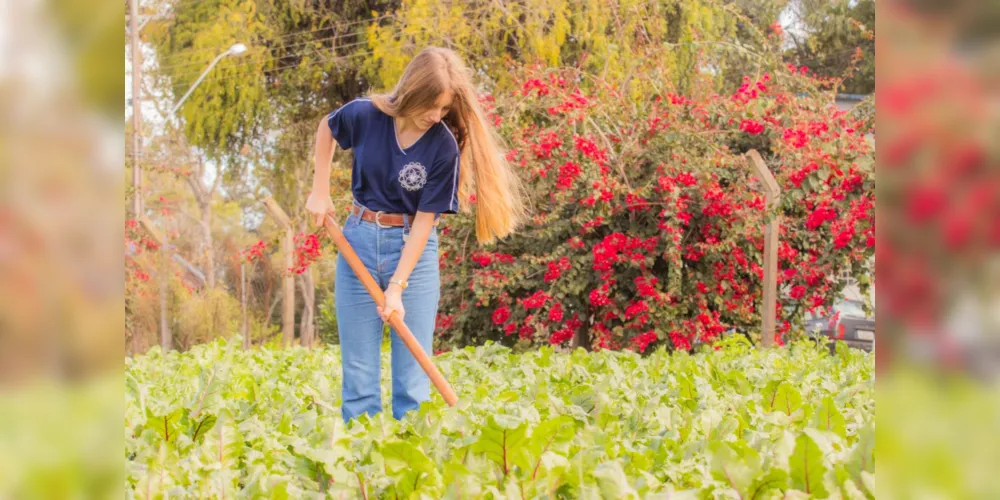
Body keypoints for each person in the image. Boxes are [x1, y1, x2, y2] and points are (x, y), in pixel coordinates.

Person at [304, 47, 527, 423]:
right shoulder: (365, 115)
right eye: (431, 106)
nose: (436, 116)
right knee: (359, 376)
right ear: (411, 93)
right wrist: (319, 189)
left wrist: (397, 286)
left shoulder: (442, 146)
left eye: (444, 108)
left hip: (413, 253)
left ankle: (412, 467)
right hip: (357, 240)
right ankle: (364, 466)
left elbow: (425, 221)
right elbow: (327, 127)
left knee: (412, 381)